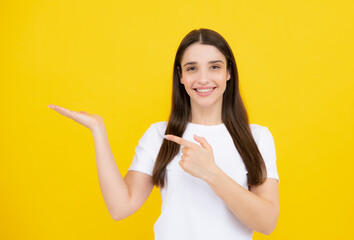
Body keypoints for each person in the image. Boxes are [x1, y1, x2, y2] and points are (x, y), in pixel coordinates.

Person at [48, 28, 280, 240]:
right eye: (192, 68)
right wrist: (98, 131)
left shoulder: (257, 138)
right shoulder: (160, 135)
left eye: (215, 66)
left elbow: (267, 222)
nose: (202, 78)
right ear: (180, 76)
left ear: (229, 72)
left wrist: (211, 173)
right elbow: (120, 207)